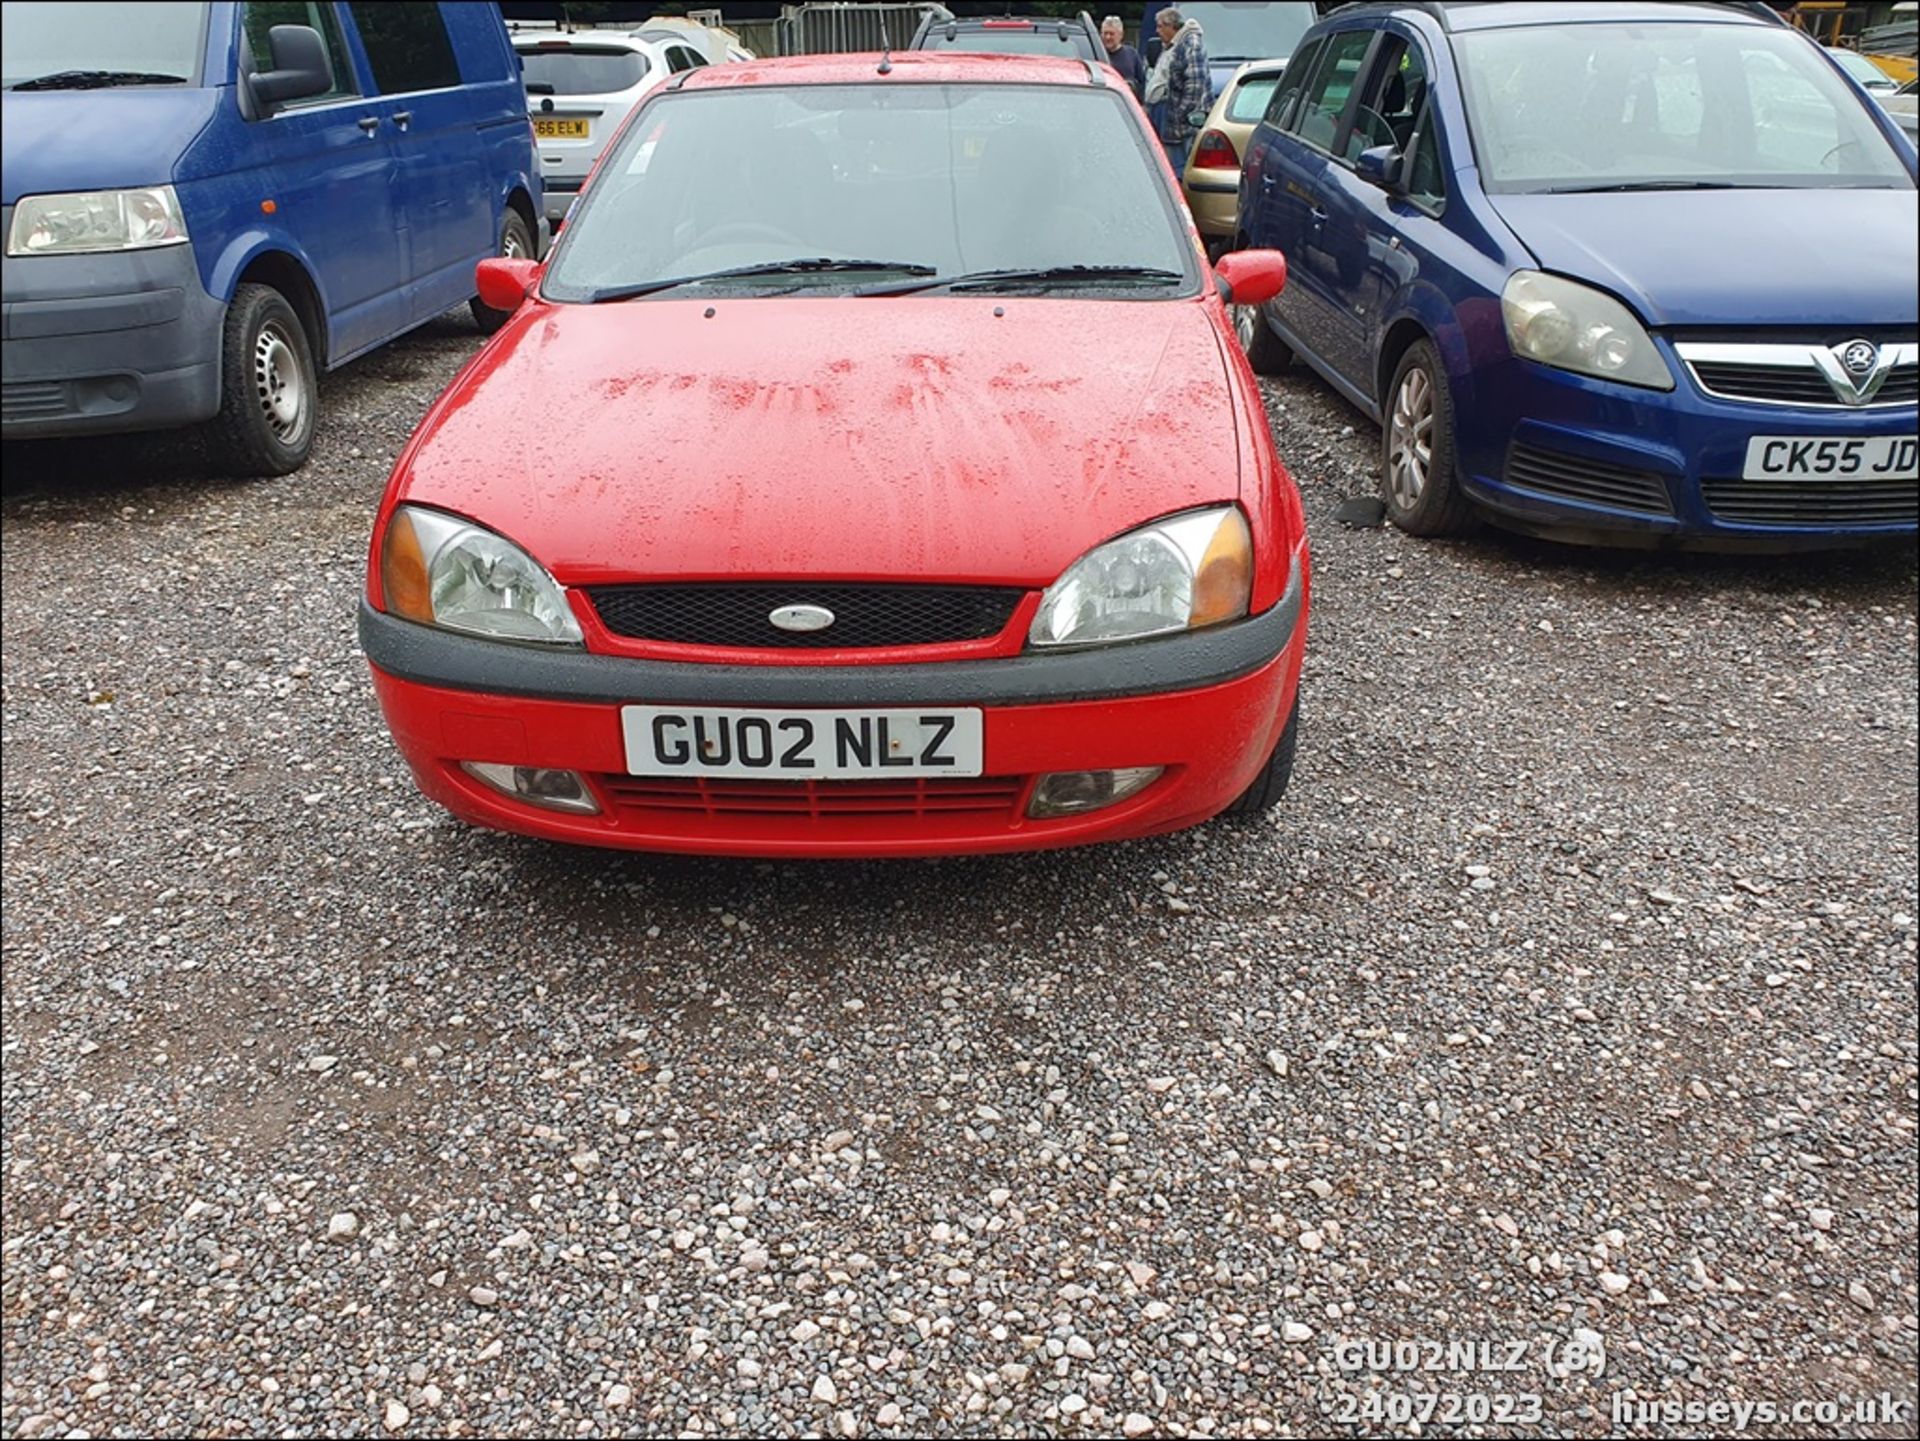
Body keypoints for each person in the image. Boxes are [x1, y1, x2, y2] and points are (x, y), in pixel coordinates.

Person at [1151, 8, 1210, 176]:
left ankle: (1180, 201)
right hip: (1170, 115)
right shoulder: (1174, 44)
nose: (1157, 30)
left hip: (1181, 122)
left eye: (1160, 26)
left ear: (1172, 27)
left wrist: (1179, 117)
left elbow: (1195, 86)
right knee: (1170, 169)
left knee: (1178, 172)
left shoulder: (1190, 44)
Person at [1100, 15, 1146, 102]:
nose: (1107, 37)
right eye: (1105, 33)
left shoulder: (1131, 54)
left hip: (1127, 103)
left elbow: (1142, 81)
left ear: (1121, 35)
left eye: (1111, 34)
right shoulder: (1095, 54)